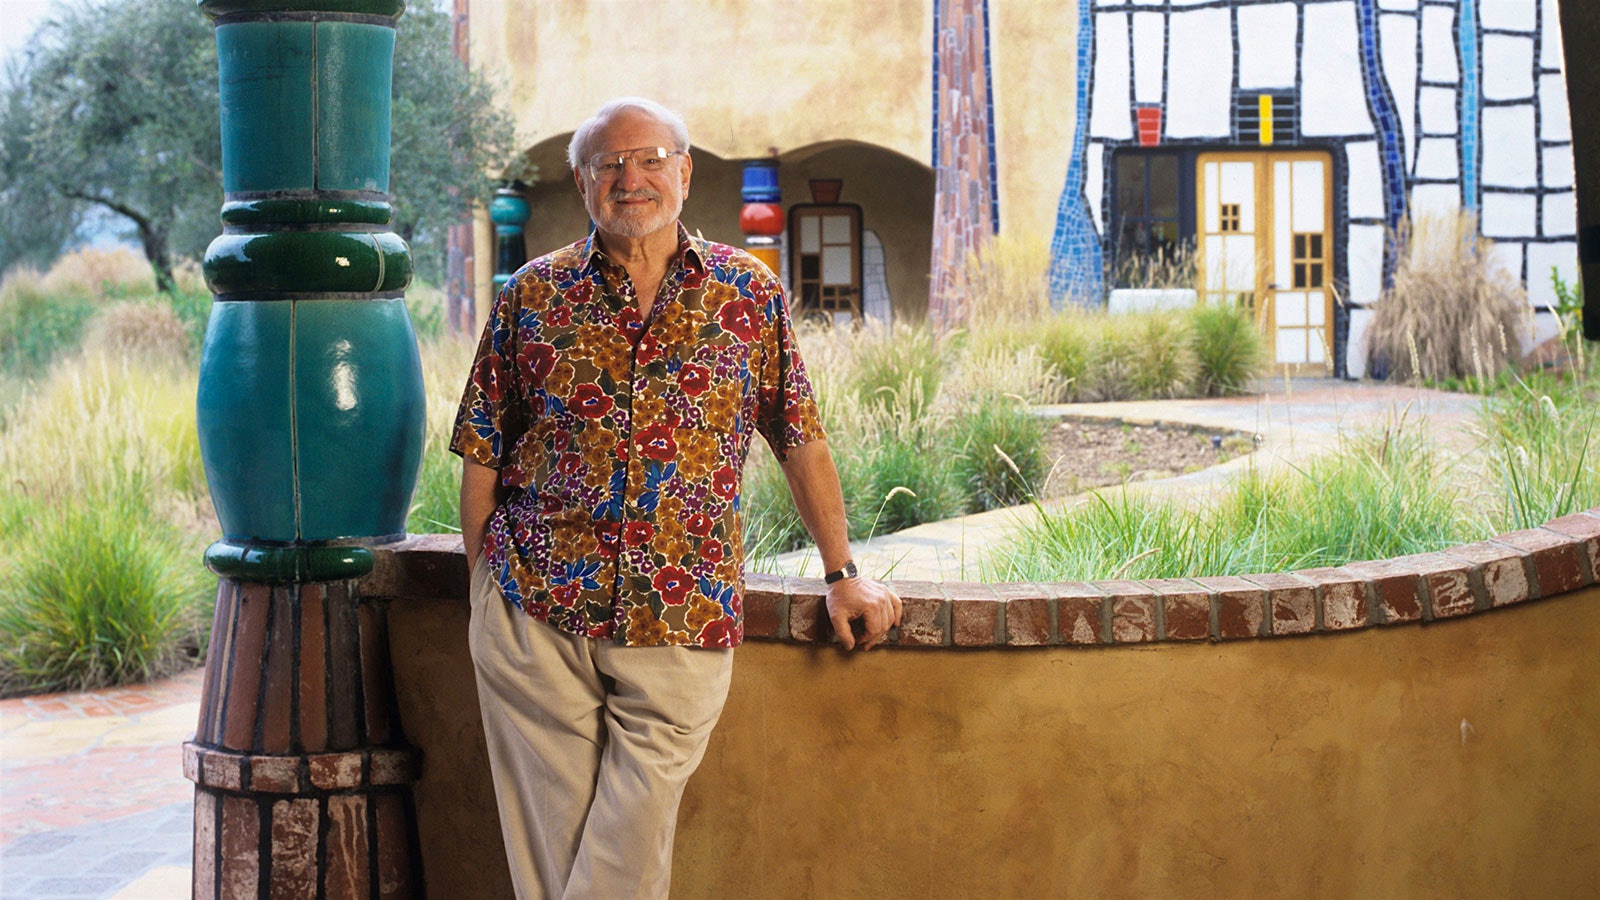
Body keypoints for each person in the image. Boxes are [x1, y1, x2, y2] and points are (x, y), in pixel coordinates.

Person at [450, 96, 903, 899]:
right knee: (550, 849)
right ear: (582, 183)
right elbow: (483, 448)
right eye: (608, 164)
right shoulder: (531, 295)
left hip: (683, 607)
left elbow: (798, 435)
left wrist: (842, 574)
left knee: (628, 837)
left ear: (685, 173)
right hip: (535, 605)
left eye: (651, 159)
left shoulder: (747, 293)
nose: (631, 179)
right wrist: (485, 586)